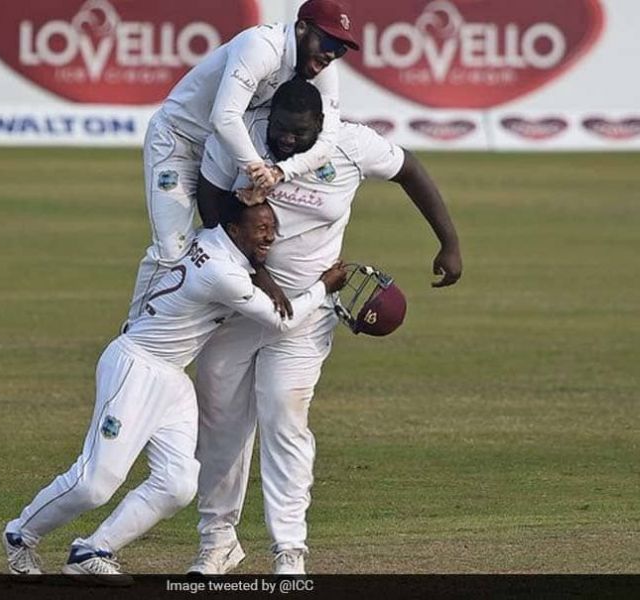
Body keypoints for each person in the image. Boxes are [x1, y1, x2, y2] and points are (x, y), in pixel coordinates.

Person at [189, 77, 462, 575]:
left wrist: (449, 242)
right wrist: (257, 273)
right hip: (236, 307)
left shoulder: (351, 143)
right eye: (280, 131)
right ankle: (217, 540)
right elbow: (209, 203)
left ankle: (290, 553)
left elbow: (411, 171)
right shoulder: (242, 133)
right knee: (221, 421)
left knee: (284, 419)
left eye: (299, 133)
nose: (286, 141)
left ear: (321, 125)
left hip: (307, 317)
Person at [2, 197, 348, 579]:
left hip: (172, 377)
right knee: (94, 484)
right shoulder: (221, 272)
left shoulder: (215, 242)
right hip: (135, 366)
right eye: (261, 229)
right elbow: (280, 323)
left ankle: (92, 551)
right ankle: (20, 535)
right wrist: (324, 288)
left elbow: (252, 268)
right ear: (234, 230)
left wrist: (264, 270)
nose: (271, 237)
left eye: (273, 228)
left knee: (178, 484)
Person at [128, 0, 359, 322]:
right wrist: (257, 167)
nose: (332, 54)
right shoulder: (261, 46)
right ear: (302, 27)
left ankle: (181, 337)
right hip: (180, 142)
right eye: (329, 42)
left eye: (342, 49)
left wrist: (280, 171)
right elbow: (224, 118)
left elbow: (327, 140)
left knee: (224, 248)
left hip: (230, 153)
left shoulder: (322, 69)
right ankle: (137, 336)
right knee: (172, 252)